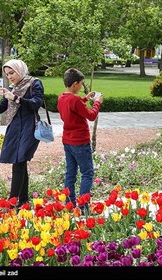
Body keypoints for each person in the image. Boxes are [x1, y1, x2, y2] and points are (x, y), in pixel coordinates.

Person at [0, 59, 44, 209]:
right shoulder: (13, 88)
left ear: (20, 69)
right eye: (7, 74)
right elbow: (0, 109)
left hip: (29, 127)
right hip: (15, 128)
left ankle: (12, 201)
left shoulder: (34, 83)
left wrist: (15, 98)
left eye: (12, 73)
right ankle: (23, 200)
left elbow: (36, 103)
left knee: (19, 161)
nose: (10, 77)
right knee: (20, 162)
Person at [57, 68, 103, 215]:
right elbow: (91, 116)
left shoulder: (62, 98)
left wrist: (85, 99)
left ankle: (70, 204)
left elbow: (73, 108)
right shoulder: (75, 100)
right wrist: (97, 102)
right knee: (87, 173)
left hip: (67, 140)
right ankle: (83, 207)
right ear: (75, 84)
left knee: (70, 173)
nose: (82, 86)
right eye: (81, 84)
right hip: (80, 141)